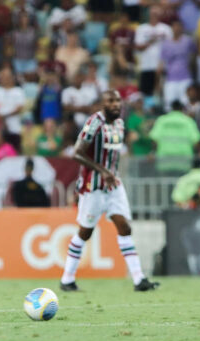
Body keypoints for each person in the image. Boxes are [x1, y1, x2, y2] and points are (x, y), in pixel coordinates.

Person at [60, 90, 159, 292]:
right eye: (111, 101)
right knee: (85, 232)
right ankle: (67, 278)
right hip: (93, 186)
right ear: (102, 104)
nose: (116, 104)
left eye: (118, 101)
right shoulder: (94, 123)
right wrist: (102, 171)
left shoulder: (120, 124)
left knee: (124, 227)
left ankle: (139, 279)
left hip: (113, 185)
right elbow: (77, 153)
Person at [150, 100, 200, 173]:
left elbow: (154, 138)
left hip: (164, 161)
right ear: (182, 109)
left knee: (165, 183)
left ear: (171, 108)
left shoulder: (162, 120)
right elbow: (196, 140)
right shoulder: (188, 121)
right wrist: (198, 152)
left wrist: (154, 151)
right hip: (184, 162)